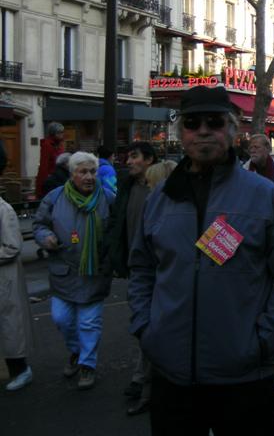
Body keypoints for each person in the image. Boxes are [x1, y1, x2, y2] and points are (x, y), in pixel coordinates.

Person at [128, 85, 274, 435]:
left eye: (215, 122)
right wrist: (146, 329)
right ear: (181, 132)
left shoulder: (264, 196)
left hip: (244, 374)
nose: (204, 130)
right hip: (171, 372)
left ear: (232, 129)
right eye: (194, 123)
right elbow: (142, 268)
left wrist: (264, 338)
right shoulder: (160, 199)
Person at [33, 151, 114, 390]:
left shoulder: (108, 198)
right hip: (64, 272)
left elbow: (117, 229)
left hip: (94, 273)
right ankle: (77, 352)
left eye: (92, 171)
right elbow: (39, 224)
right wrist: (45, 237)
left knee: (89, 323)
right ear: (72, 174)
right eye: (83, 172)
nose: (89, 177)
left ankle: (87, 365)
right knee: (62, 319)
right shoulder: (55, 198)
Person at [107, 142, 158, 414]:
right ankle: (145, 380)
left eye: (134, 157)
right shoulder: (128, 187)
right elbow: (118, 224)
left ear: (149, 160)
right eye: (127, 157)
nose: (128, 161)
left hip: (158, 270)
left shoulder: (161, 189)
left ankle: (145, 383)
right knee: (143, 326)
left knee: (150, 327)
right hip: (137, 268)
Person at [1, 187, 35, 391]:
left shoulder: (4, 209)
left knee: (10, 327)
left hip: (5, 279)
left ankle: (20, 370)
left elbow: (12, 246)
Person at [35, 122, 65, 198]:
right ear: (53, 133)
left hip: (60, 179)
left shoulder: (60, 145)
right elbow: (43, 166)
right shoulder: (47, 145)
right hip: (51, 181)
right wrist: (40, 188)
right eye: (60, 132)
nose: (62, 134)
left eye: (62, 132)